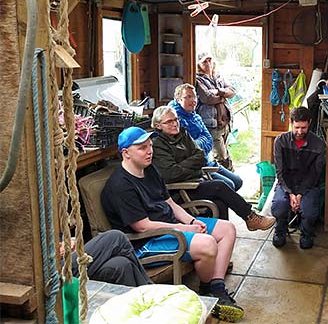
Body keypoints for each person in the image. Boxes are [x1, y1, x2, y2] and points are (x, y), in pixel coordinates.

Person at [101, 126, 244, 323]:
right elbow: (142, 227)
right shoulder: (121, 186)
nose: (150, 151)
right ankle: (208, 289)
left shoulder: (149, 170)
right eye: (142, 148)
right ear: (126, 153)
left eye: (150, 145)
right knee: (208, 243)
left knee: (227, 229)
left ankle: (216, 289)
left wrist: (191, 221)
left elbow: (170, 203)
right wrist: (185, 229)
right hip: (146, 242)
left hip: (171, 226)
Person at [151, 106, 275, 231]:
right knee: (219, 186)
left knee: (220, 203)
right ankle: (250, 217)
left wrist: (185, 165)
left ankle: (221, 240)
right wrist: (193, 166)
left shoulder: (183, 134)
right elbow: (171, 174)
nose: (175, 124)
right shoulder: (157, 145)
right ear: (158, 126)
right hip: (180, 191)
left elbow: (201, 156)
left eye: (176, 119)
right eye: (169, 122)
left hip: (196, 182)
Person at [170, 83, 242, 191]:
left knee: (238, 181)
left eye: (194, 96)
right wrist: (200, 144)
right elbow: (191, 148)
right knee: (229, 186)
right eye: (188, 97)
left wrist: (199, 143)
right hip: (199, 167)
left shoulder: (196, 116)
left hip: (208, 161)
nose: (193, 100)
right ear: (178, 99)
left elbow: (209, 139)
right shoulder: (176, 120)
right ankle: (216, 204)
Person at [272, 106, 326, 249]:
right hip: (286, 184)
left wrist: (300, 193)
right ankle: (280, 231)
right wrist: (290, 193)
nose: (299, 131)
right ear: (291, 123)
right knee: (278, 207)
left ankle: (306, 233)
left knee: (309, 211)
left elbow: (315, 173)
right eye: (296, 127)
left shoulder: (319, 144)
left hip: (308, 185)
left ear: (309, 123)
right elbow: (280, 171)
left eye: (303, 127)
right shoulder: (280, 141)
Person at [65, 230, 152, 287]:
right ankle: (149, 290)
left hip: (67, 258)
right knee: (116, 237)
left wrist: (67, 242)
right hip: (60, 273)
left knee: (121, 264)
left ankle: (141, 305)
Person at [195, 52, 236, 171]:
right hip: (211, 124)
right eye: (204, 61)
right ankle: (227, 179)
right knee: (221, 156)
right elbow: (207, 97)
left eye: (209, 60)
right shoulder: (198, 79)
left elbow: (232, 91)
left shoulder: (218, 76)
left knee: (226, 151)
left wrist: (219, 92)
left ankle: (231, 179)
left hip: (225, 122)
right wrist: (223, 95)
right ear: (198, 64)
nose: (208, 63)